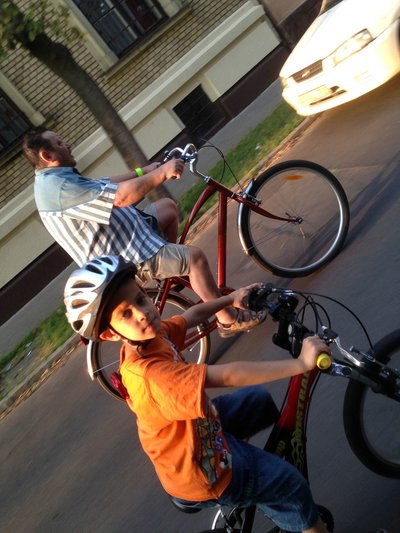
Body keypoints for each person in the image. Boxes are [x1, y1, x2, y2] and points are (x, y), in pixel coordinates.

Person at [64, 255, 329, 533]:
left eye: (140, 299)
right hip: (204, 471)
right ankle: (259, 488)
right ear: (109, 335)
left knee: (257, 402)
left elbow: (190, 317)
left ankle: (255, 481)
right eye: (126, 314)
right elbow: (227, 375)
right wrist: (301, 364)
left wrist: (231, 299)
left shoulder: (150, 339)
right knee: (290, 485)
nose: (142, 313)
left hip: (197, 432)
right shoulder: (150, 376)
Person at [22, 127, 265, 337]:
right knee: (195, 258)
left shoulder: (55, 180)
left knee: (167, 208)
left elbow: (104, 184)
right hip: (130, 256)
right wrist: (161, 174)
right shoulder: (59, 189)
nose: (67, 145)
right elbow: (120, 197)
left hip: (134, 234)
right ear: (47, 155)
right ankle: (227, 319)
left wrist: (144, 171)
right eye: (59, 143)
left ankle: (170, 276)